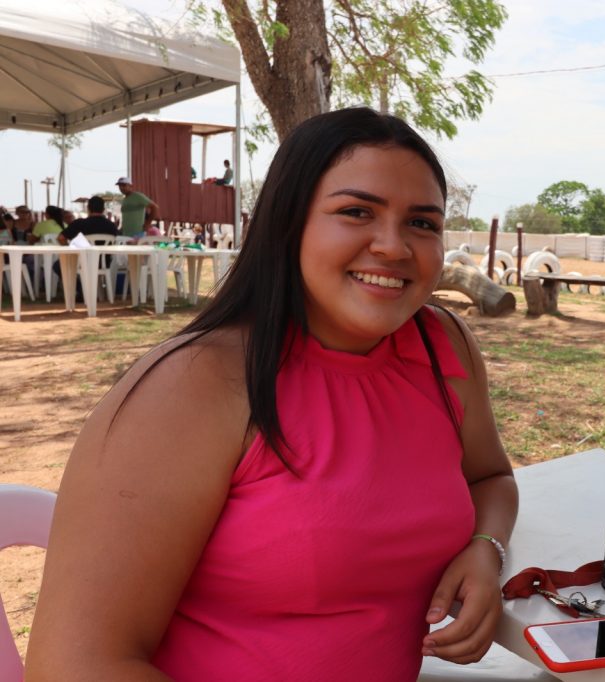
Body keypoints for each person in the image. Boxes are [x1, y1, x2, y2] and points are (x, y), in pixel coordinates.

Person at [26, 108, 518, 681]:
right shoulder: (196, 386)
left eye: (423, 223)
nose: (393, 246)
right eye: (356, 212)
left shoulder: (442, 347)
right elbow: (74, 666)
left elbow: (490, 478)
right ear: (288, 223)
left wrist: (487, 547)